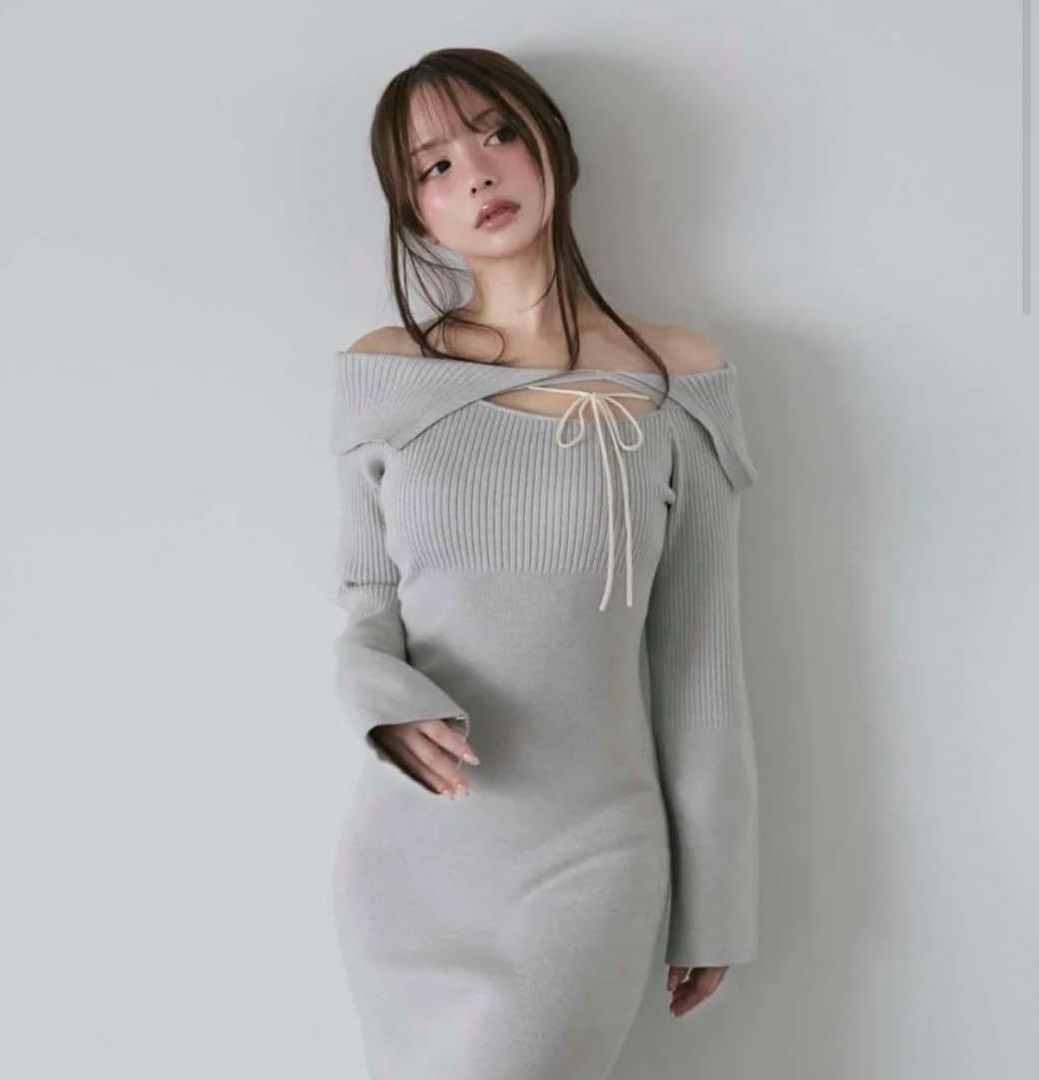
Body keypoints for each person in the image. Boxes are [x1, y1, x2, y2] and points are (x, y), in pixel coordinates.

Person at [328, 46, 760, 1079]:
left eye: (498, 134)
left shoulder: (677, 377)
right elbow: (366, 599)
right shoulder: (386, 371)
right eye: (434, 166)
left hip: (592, 857)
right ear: (414, 212)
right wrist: (382, 704)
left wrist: (717, 901)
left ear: (550, 147)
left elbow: (699, 662)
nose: (476, 173)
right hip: (412, 853)